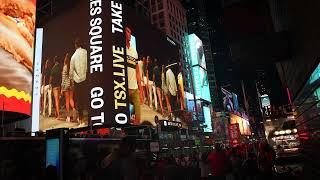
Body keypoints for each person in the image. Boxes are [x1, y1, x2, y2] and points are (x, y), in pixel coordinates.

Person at [70, 37, 87, 126]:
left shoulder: (73, 56)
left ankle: (81, 120)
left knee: (79, 100)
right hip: (86, 79)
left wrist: (72, 81)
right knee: (86, 99)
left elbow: (71, 71)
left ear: (75, 45)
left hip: (77, 81)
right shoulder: (86, 52)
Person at [125, 27, 141, 125]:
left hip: (134, 89)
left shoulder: (134, 51)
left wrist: (140, 89)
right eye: (127, 31)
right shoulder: (121, 49)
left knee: (138, 118)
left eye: (130, 32)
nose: (129, 34)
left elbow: (137, 71)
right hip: (124, 89)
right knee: (125, 118)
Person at [61, 53, 75, 122]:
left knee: (67, 101)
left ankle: (68, 117)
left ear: (66, 59)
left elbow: (63, 78)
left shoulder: (65, 67)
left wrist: (62, 88)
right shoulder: (72, 67)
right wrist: (72, 85)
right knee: (71, 99)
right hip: (71, 85)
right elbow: (72, 77)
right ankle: (77, 115)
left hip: (66, 85)